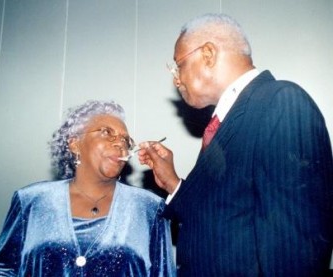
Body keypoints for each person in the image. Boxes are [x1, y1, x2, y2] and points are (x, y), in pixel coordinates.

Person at [138, 13, 333, 276]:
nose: (176, 79)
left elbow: (297, 246)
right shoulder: (225, 122)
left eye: (178, 65)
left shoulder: (281, 102)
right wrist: (173, 184)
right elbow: (226, 213)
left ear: (208, 54)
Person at [0, 100, 175, 276]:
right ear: (74, 144)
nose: (120, 143)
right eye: (107, 132)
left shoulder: (150, 208)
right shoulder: (31, 200)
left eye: (126, 140)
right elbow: (3, 268)